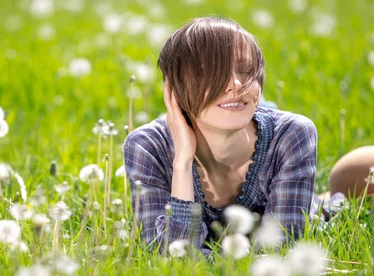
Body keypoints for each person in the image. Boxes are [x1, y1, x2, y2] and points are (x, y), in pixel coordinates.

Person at [123, 17, 318, 256]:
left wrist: (202, 262)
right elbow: (168, 256)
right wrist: (182, 162)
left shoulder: (291, 135)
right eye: (211, 72)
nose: (236, 84)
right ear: (174, 90)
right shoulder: (148, 146)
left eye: (247, 71)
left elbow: (281, 251)